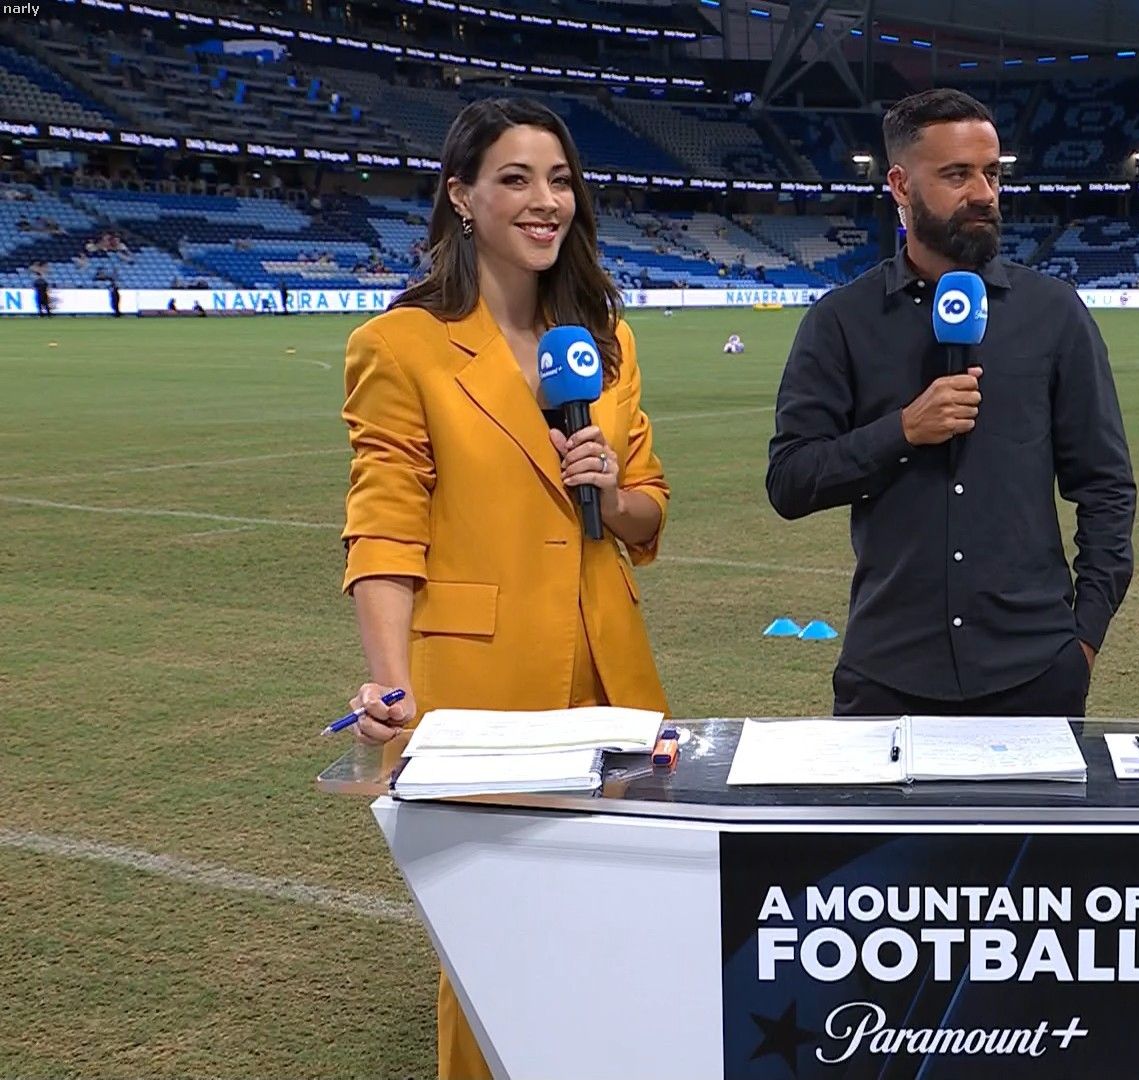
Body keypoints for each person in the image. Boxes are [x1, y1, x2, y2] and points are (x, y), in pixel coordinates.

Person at [337, 97, 671, 1080]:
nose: (545, 201)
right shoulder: (400, 346)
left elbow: (649, 510)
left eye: (560, 179)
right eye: (516, 179)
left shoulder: (604, 339)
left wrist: (611, 492)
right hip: (478, 696)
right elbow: (385, 525)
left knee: (619, 927)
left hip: (612, 676)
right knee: (494, 949)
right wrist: (390, 682)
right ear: (461, 197)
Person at [767, 87, 1134, 718]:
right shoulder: (841, 321)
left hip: (1036, 671)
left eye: (992, 174)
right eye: (958, 175)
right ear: (900, 185)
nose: (984, 194)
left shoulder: (1053, 314)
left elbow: (1105, 486)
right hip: (887, 673)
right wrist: (903, 431)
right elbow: (790, 480)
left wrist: (1084, 640)